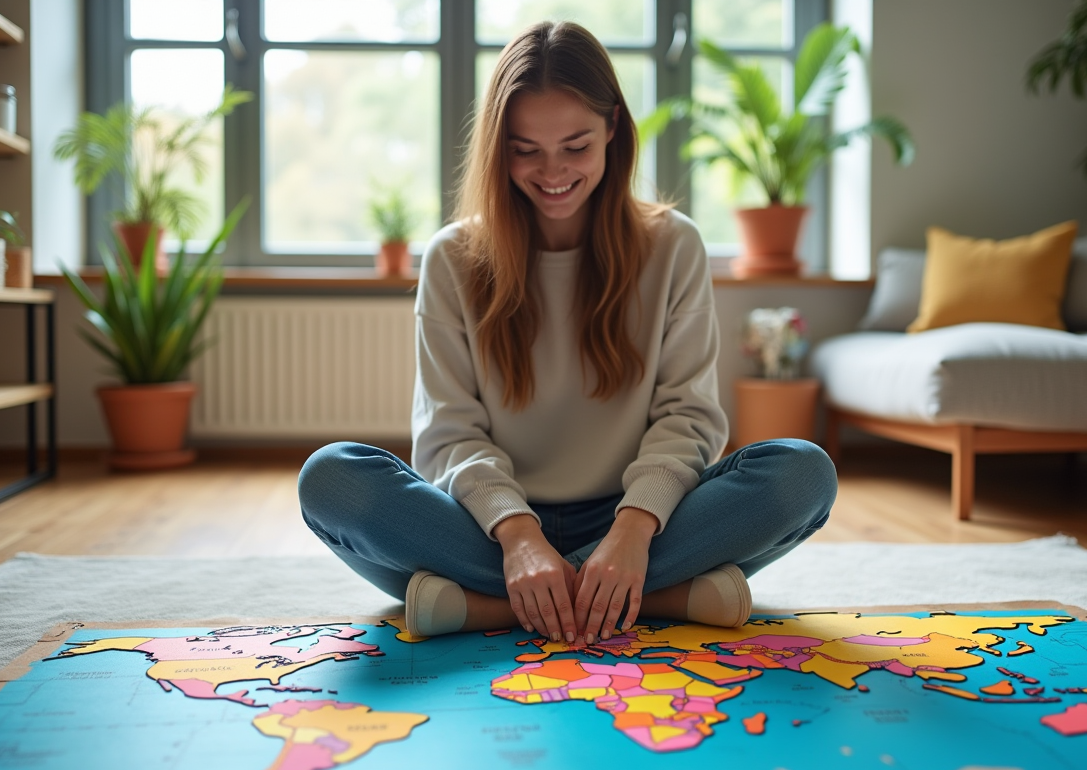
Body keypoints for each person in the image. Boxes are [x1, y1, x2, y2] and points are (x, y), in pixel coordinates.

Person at [298, 21, 837, 644]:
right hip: (489, 523)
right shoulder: (453, 258)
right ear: (499, 149)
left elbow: (687, 416)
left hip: (642, 518)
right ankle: (659, 598)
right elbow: (449, 432)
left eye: (575, 145)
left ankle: (489, 606)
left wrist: (633, 531)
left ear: (614, 128)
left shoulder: (675, 245)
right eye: (526, 149)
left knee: (803, 473)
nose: (552, 171)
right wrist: (519, 537)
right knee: (331, 478)